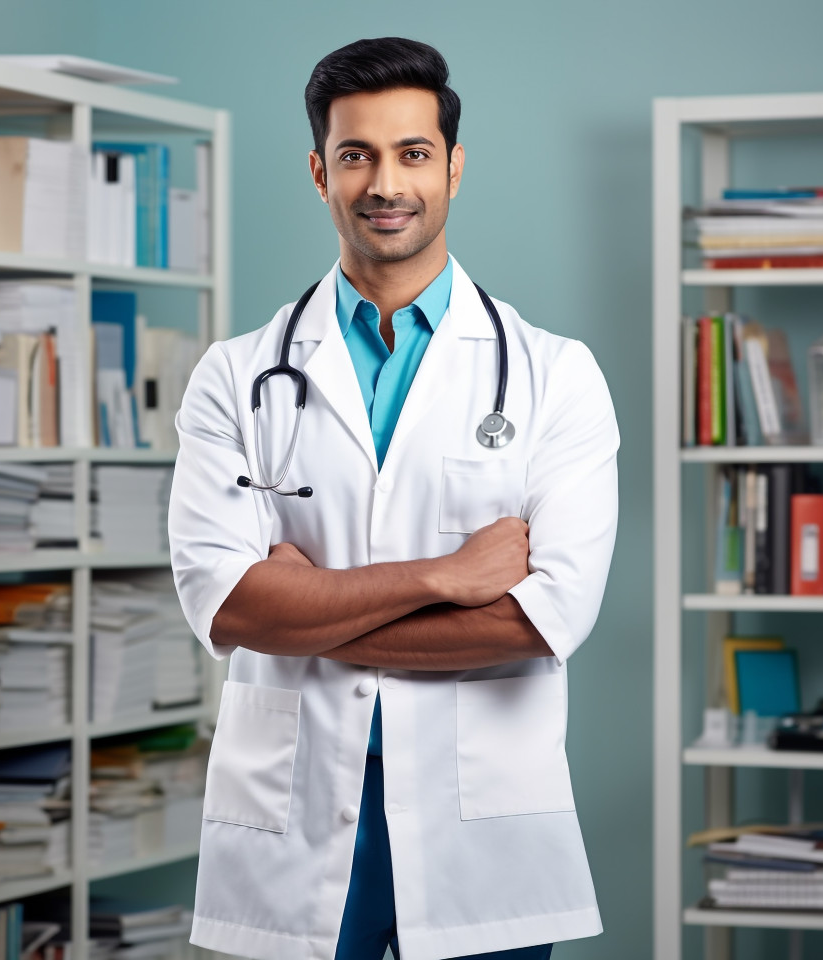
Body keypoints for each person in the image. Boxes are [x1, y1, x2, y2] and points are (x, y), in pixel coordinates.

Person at [168, 36, 619, 960]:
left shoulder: (555, 376)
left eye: (413, 153)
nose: (386, 182)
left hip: (477, 827)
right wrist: (449, 576)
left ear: (453, 166)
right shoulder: (234, 376)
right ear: (318, 171)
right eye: (356, 155)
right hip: (294, 816)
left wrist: (304, 614)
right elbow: (226, 601)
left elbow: (540, 618)